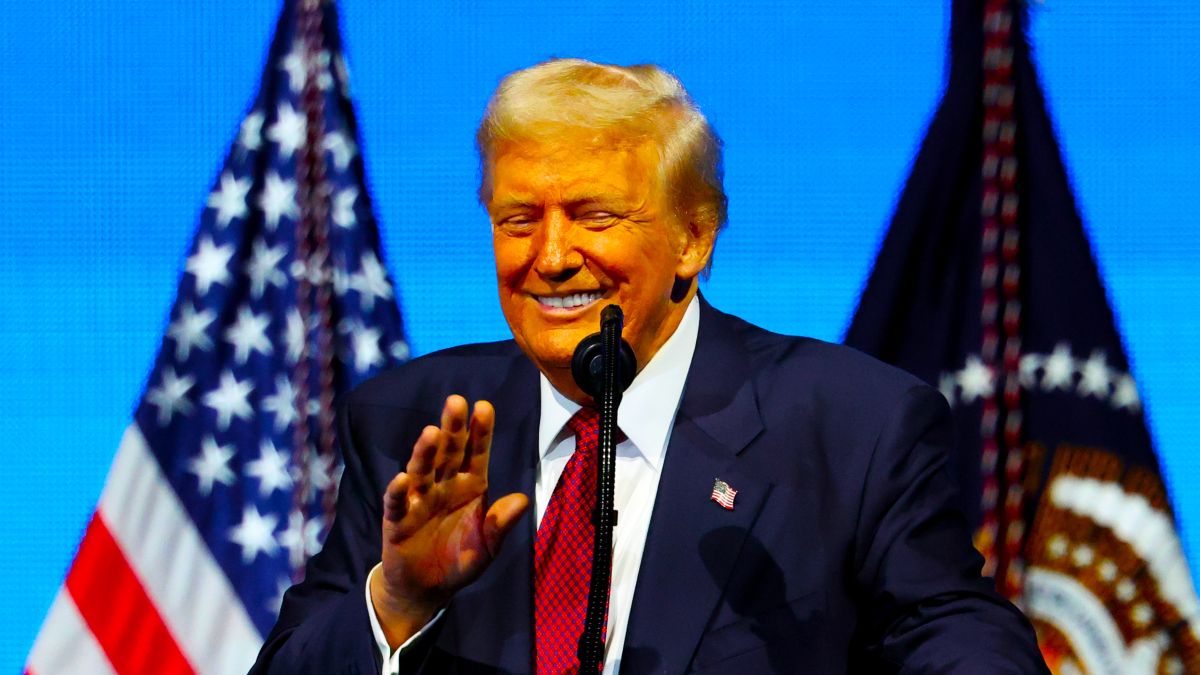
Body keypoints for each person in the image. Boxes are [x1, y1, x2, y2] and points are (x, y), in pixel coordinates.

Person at [251, 59, 1047, 674]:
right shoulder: (412, 420)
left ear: (694, 239)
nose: (553, 257)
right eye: (519, 219)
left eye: (594, 216)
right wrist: (396, 599)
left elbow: (958, 632)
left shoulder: (851, 426)